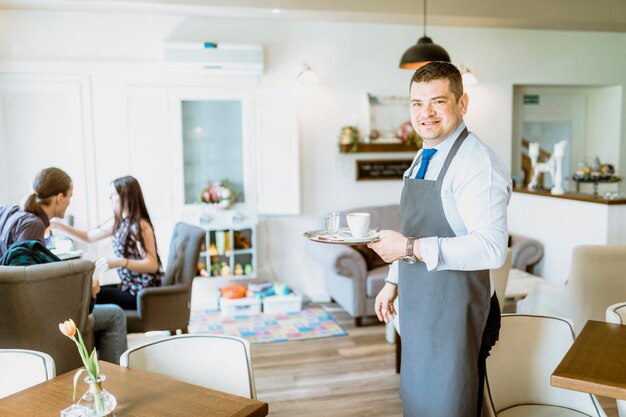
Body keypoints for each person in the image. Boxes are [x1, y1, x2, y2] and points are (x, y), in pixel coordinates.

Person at [368, 62, 511, 417]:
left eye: (438, 101)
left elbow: (492, 248)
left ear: (463, 103)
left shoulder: (477, 164)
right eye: (417, 103)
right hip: (422, 308)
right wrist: (393, 280)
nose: (425, 113)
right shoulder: (422, 157)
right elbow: (415, 227)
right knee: (419, 401)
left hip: (459, 314)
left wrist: (407, 248)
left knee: (452, 405)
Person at [0, 167, 127, 364]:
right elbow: (30, 285)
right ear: (59, 197)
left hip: (11, 316)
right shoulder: (33, 225)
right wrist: (85, 290)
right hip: (35, 319)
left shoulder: (13, 214)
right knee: (115, 314)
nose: (69, 202)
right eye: (70, 196)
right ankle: (109, 381)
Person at [52, 175, 162, 310]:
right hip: (128, 286)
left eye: (113, 194)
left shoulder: (140, 226)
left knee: (88, 296)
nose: (109, 198)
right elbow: (88, 237)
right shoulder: (120, 222)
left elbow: (152, 265)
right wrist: (58, 225)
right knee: (87, 292)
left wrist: (119, 262)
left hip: (141, 292)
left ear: (126, 196)